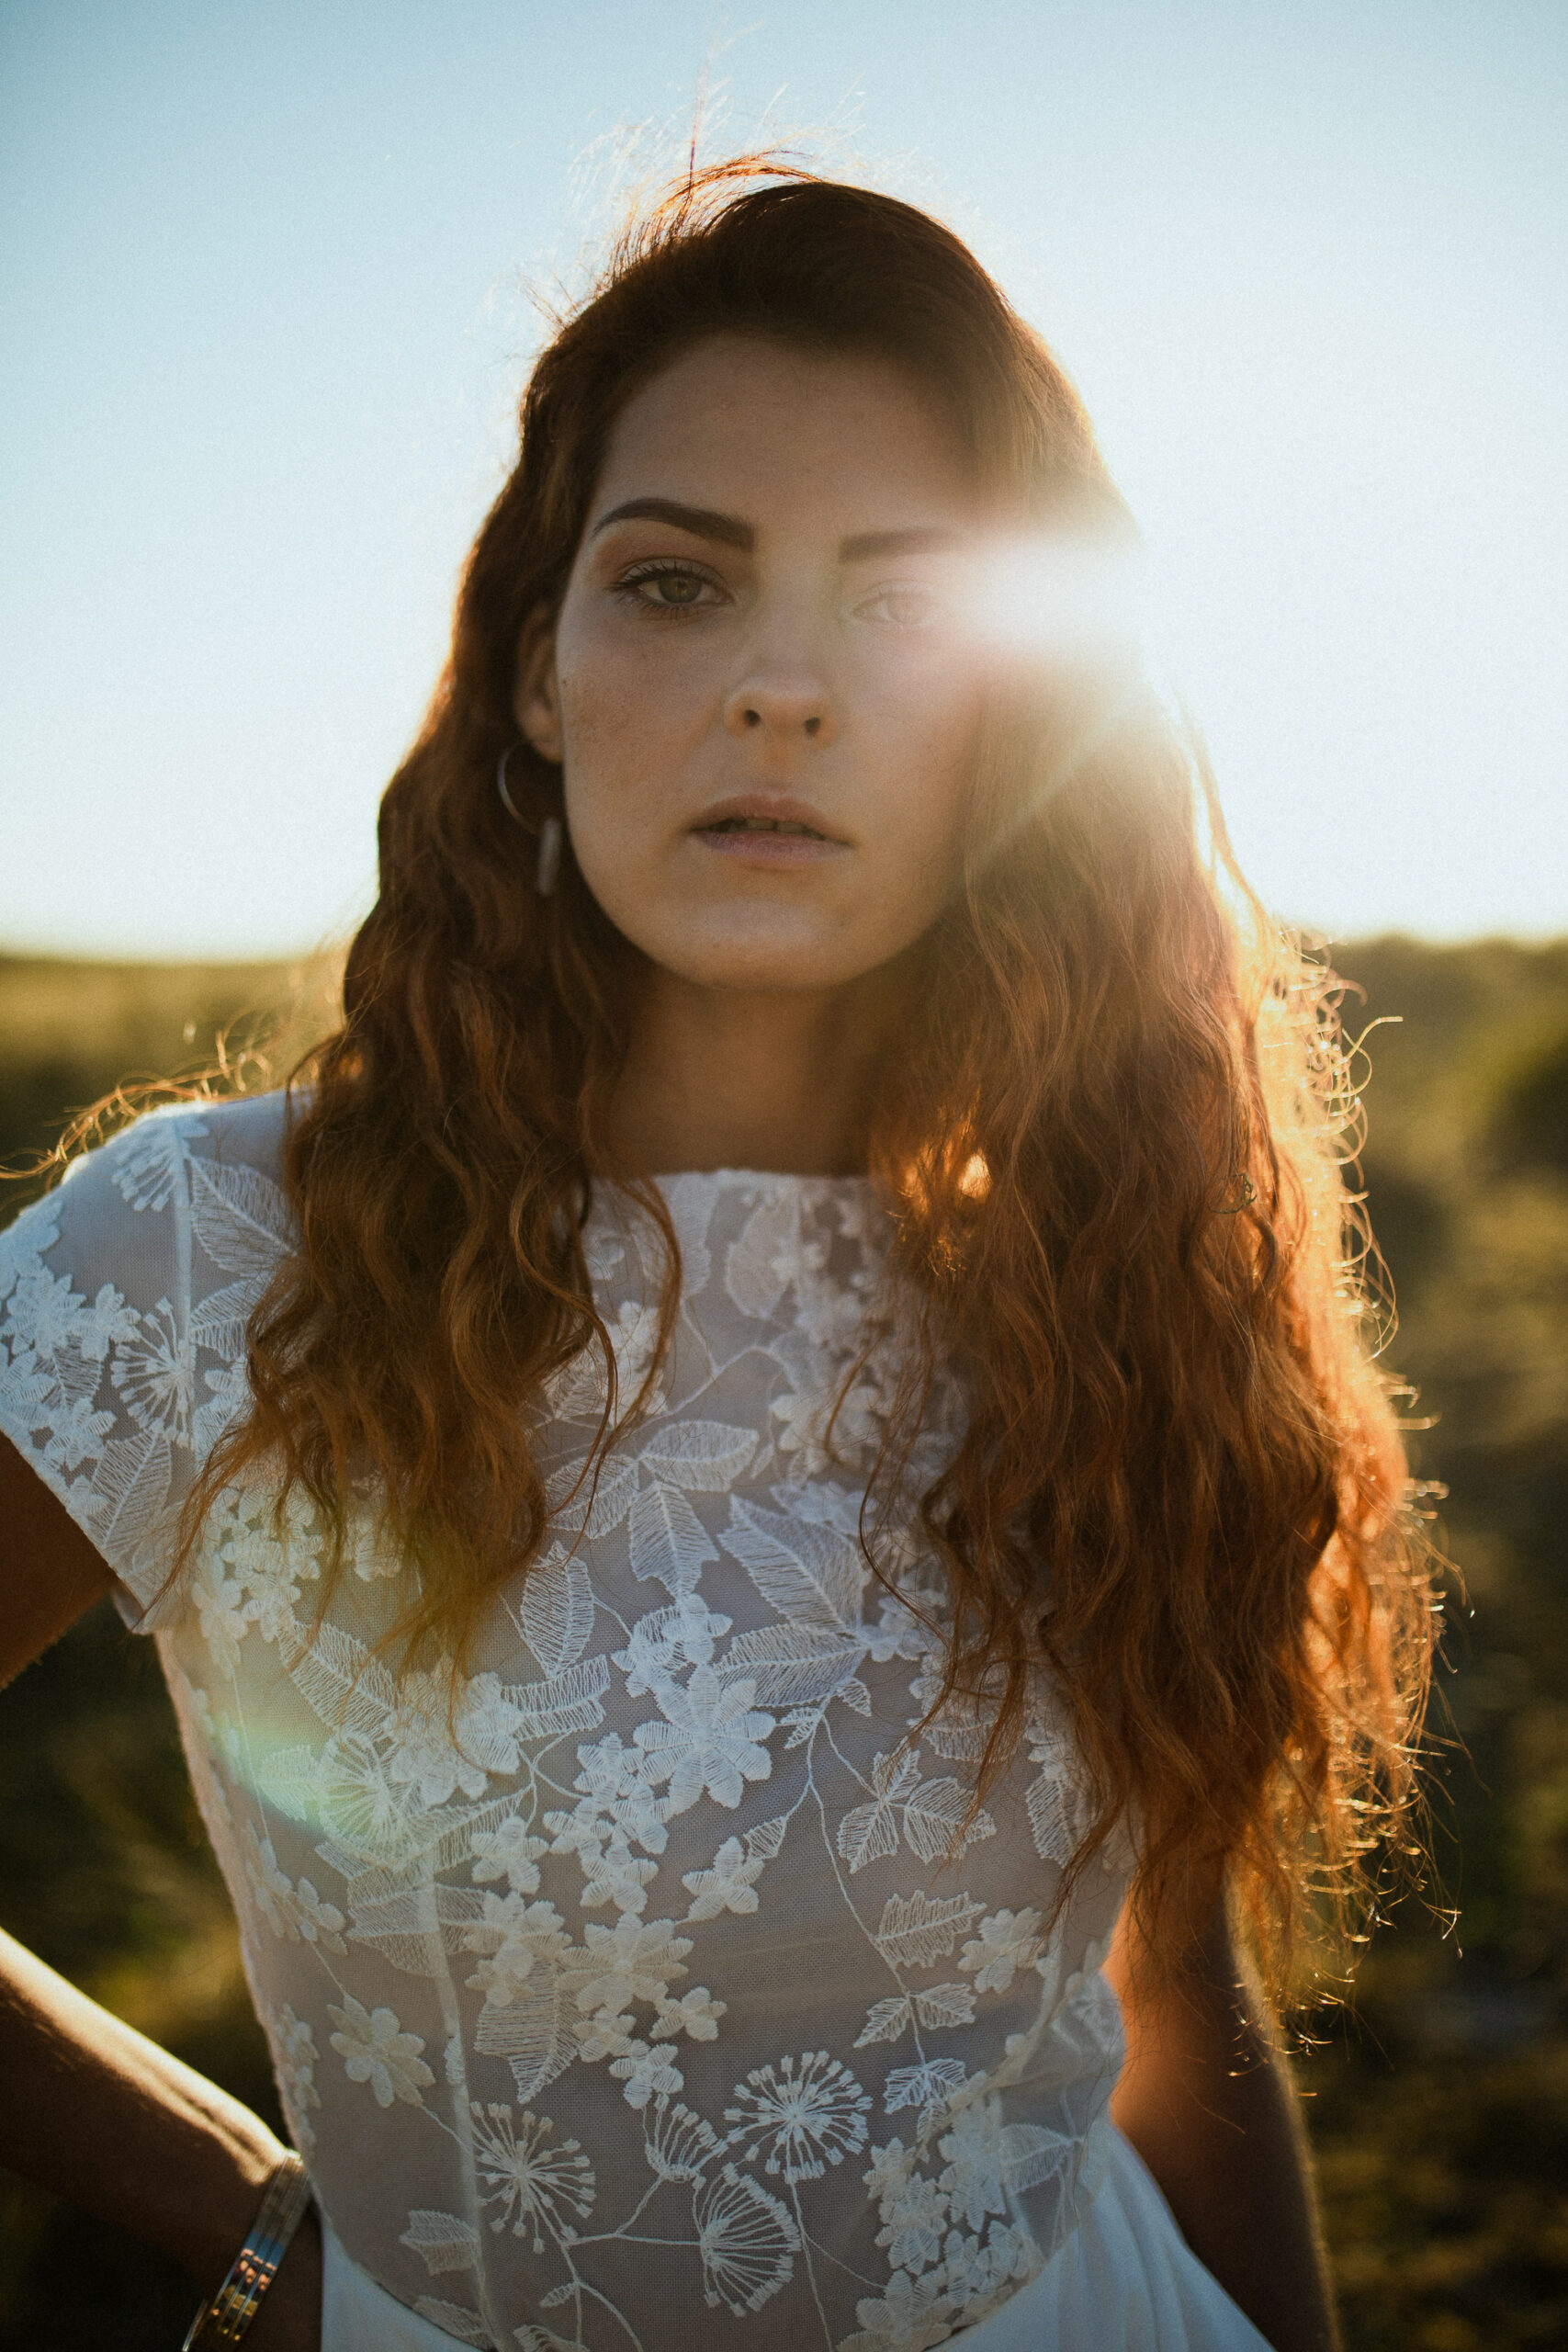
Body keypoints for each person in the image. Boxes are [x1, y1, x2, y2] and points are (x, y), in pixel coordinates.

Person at [0, 162, 1430, 2352]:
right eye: (676, 583)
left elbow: (1161, 1978)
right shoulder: (211, 1255)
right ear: (538, 675)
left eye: (900, 604)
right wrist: (249, 2220)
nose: (780, 684)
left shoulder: (1100, 1285)